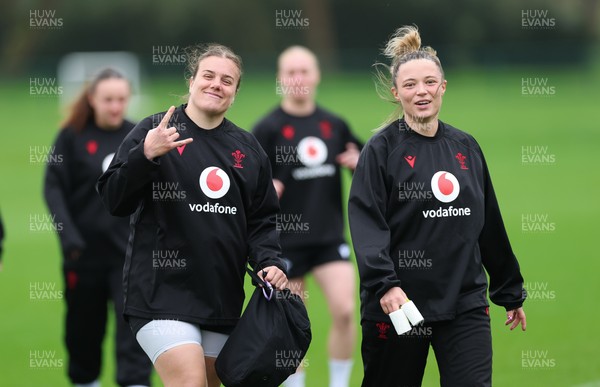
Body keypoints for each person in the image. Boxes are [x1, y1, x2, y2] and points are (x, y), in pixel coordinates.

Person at [96, 44, 288, 387]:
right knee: (189, 382)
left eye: (227, 80)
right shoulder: (154, 130)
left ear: (235, 91)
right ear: (192, 81)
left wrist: (269, 261)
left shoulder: (248, 149)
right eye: (209, 76)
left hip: (220, 299)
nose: (216, 84)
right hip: (159, 295)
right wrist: (146, 155)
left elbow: (262, 221)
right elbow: (114, 200)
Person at [348, 26, 527, 387]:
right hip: (399, 305)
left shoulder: (466, 147)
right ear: (396, 93)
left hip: (463, 301)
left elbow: (487, 221)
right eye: (410, 85)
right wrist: (385, 285)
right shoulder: (381, 151)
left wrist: (508, 291)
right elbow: (367, 225)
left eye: (429, 82)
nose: (421, 92)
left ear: (442, 87)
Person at [253, 45, 361, 387]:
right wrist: (264, 189)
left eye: (304, 71)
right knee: (293, 326)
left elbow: (372, 169)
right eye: (290, 72)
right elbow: (247, 187)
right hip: (284, 245)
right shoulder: (267, 129)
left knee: (345, 311)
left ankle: (339, 383)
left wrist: (359, 165)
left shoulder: (334, 124)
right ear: (280, 79)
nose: (298, 78)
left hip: (329, 239)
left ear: (316, 75)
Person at [43, 68, 153, 387]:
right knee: (83, 334)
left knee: (133, 334)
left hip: (130, 259)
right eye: (108, 99)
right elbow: (53, 191)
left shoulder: (139, 137)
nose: (115, 106)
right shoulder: (72, 137)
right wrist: (70, 240)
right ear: (92, 99)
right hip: (84, 257)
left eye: (121, 99)